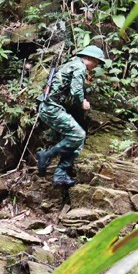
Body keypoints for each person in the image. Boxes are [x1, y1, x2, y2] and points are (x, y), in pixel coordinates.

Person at [36, 45, 106, 187]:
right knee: (78, 135)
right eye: (97, 61)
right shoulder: (79, 67)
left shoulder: (70, 64)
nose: (96, 65)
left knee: (78, 141)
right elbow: (76, 92)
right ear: (89, 58)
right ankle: (46, 155)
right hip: (51, 108)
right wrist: (82, 103)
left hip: (50, 107)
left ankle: (60, 175)